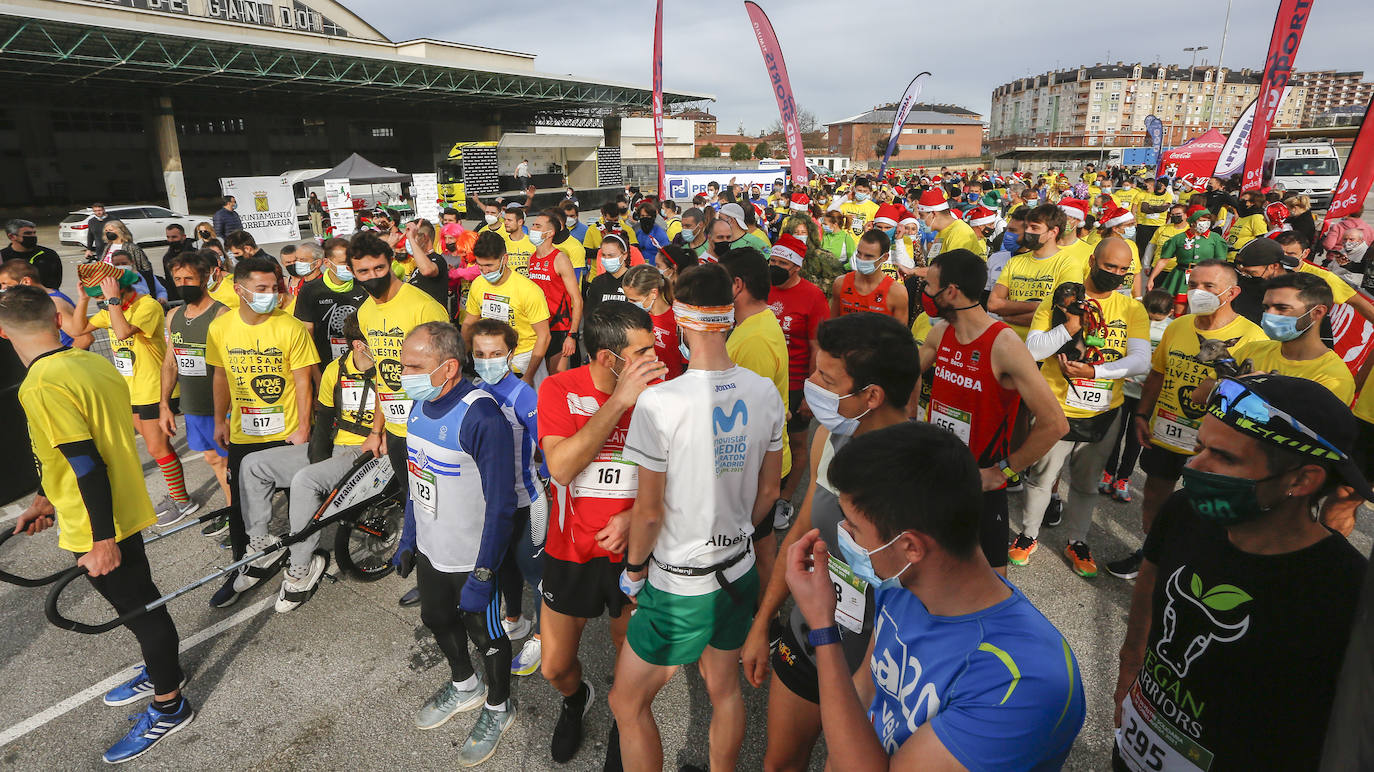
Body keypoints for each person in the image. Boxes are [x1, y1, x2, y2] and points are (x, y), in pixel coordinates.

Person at [784, 421, 1086, 770]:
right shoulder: (904, 588)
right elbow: (864, 693)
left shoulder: (1021, 683)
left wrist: (824, 628)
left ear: (910, 546)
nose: (842, 535)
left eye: (853, 526)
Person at [1112, 374, 1370, 771]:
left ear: (1301, 480)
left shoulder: (1346, 592)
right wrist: (1129, 667)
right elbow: (1150, 585)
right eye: (1200, 447)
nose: (1194, 466)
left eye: (1225, 457)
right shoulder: (1185, 512)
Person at [2, 285, 195, 765]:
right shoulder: (91, 362)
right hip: (118, 507)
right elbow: (72, 450)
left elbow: (87, 463)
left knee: (140, 611)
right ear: (55, 319)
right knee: (141, 603)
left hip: (98, 522)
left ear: (3, 333)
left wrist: (102, 540)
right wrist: (45, 498)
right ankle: (161, 670)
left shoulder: (41, 383)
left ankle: (169, 703)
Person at [610, 263, 785, 772]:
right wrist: (734, 532)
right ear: (728, 317)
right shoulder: (763, 392)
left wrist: (635, 570)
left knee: (626, 702)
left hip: (680, 582)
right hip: (739, 568)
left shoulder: (659, 402)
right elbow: (770, 490)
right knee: (724, 689)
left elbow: (647, 512)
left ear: (680, 317)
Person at [744, 312, 918, 772]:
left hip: (883, 669)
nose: (811, 383)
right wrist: (764, 621)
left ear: (872, 395)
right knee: (778, 763)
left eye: (826, 377)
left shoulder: (924, 475)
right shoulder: (830, 437)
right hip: (809, 638)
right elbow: (801, 533)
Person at [536, 302, 667, 765]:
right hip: (570, 552)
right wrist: (619, 402)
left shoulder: (662, 394)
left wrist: (633, 517)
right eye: (644, 352)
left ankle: (623, 716)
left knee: (625, 653)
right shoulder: (558, 388)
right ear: (610, 359)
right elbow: (563, 467)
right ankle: (576, 700)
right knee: (553, 665)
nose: (657, 359)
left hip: (633, 555)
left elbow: (680, 475)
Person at [396, 321, 519, 766]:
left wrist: (485, 573)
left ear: (448, 368)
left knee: (486, 635)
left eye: (413, 365)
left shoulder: (481, 415)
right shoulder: (415, 405)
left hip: (472, 557)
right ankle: (466, 687)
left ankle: (498, 708)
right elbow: (415, 477)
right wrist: (409, 537)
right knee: (435, 618)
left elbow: (503, 505)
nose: (402, 373)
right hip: (433, 549)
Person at [918, 249, 1069, 575]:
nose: (925, 294)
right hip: (937, 479)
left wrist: (1003, 471)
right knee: (932, 574)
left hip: (980, 486)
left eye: (929, 286)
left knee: (990, 586)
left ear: (951, 292)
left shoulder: (1004, 344)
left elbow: (1055, 424)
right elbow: (902, 378)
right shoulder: (939, 334)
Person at [1114, 261, 1267, 580]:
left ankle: (1193, 566)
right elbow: (1157, 374)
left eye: (1209, 286)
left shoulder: (1254, 338)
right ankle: (1151, 555)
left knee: (1206, 507)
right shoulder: (1178, 326)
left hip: (1215, 442)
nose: (1197, 292)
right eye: (1193, 284)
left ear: (1232, 292)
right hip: (1166, 430)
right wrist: (1142, 414)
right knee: (1155, 495)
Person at [1012, 238, 1150, 577]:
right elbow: (1033, 350)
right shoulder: (1059, 300)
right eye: (1109, 267)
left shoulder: (1131, 309)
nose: (1115, 274)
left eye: (1122, 270)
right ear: (1091, 261)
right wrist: (1069, 326)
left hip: (1104, 410)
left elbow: (1140, 361)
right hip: (1055, 407)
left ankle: (1078, 541)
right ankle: (1028, 536)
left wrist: (1094, 371)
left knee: (1087, 484)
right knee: (1041, 478)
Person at [232, 313, 375, 612]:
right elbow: (323, 419)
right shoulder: (336, 369)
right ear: (360, 345)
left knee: (305, 481)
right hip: (337, 445)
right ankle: (261, 545)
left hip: (368, 452)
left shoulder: (391, 371)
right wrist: (317, 461)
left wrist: (315, 472)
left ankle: (301, 567)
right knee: (253, 464)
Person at [205, 256, 319, 608]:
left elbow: (303, 381)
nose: (271, 295)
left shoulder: (290, 327)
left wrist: (303, 428)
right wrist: (219, 420)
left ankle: (302, 565)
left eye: (274, 288)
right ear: (239, 290)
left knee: (305, 503)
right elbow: (220, 375)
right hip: (244, 432)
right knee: (242, 509)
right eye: (262, 289)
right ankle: (244, 567)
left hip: (285, 433)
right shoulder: (220, 328)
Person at [65, 263, 199, 526]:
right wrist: (82, 300)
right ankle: (176, 496)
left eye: (101, 296)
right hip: (132, 391)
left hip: (153, 389)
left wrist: (112, 300)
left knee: (157, 446)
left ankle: (183, 501)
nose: (101, 302)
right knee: (155, 447)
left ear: (118, 289)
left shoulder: (146, 306)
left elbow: (124, 330)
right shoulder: (115, 308)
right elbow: (77, 330)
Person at [468, 319, 545, 666]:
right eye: (481, 354)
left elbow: (550, 446)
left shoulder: (523, 395)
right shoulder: (473, 390)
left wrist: (546, 479)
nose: (488, 360)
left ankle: (544, 637)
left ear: (511, 354)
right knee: (504, 567)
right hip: (493, 504)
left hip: (527, 500)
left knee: (536, 573)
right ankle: (514, 619)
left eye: (496, 353)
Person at [158, 252, 232, 509]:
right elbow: (170, 363)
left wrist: (228, 412)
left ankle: (239, 517)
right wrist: (165, 405)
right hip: (194, 407)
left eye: (189, 278)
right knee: (212, 459)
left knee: (230, 463)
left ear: (204, 278)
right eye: (177, 278)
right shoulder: (173, 316)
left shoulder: (221, 314)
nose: (182, 284)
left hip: (223, 408)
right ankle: (235, 510)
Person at [765, 234, 830, 508]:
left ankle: (785, 498)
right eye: (772, 260)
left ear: (796, 267)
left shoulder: (812, 296)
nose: (775, 266)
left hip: (795, 384)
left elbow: (818, 346)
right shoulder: (763, 288)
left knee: (796, 442)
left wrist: (811, 392)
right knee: (766, 443)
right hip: (764, 380)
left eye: (782, 262)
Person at [720, 247, 793, 484]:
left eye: (719, 282)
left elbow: (750, 419)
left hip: (756, 471)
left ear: (737, 285)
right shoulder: (754, 324)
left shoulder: (755, 339)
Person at [1098, 290, 1173, 504]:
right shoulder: (1133, 320)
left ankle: (1123, 478)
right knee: (1114, 434)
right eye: (1149, 315)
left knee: (1135, 439)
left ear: (1170, 312)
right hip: (1123, 388)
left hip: (1146, 394)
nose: (1153, 320)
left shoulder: (1171, 329)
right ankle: (1108, 472)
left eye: (1158, 318)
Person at [1232, 272, 1354, 403]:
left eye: (1282, 308)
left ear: (1317, 313)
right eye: (1266, 307)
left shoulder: (1333, 378)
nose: (1269, 314)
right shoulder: (1252, 350)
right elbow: (1208, 390)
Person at [463, 230, 551, 383]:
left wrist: (529, 376)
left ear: (504, 259)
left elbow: (544, 336)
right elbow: (469, 323)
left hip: (524, 360)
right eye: (480, 266)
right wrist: (462, 356)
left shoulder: (529, 290)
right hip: (490, 358)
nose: (485, 271)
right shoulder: (477, 284)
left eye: (489, 265)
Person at [988, 203, 1070, 338]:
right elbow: (993, 304)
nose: (1029, 232)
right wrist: (1038, 306)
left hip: (1042, 349)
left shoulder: (1068, 264)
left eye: (1034, 228)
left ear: (1053, 232)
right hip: (1005, 341)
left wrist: (1006, 315)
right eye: (1027, 228)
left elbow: (1059, 314)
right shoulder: (1013, 262)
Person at [293, 237, 369, 363]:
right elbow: (306, 336)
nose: (349, 267)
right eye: (343, 263)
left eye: (351, 262)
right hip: (325, 363)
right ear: (327, 263)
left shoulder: (364, 286)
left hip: (360, 361)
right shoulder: (310, 290)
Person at [526, 209, 582, 374]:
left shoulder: (560, 259)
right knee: (537, 379)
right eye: (533, 225)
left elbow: (577, 300)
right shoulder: (532, 258)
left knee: (556, 380)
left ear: (549, 233)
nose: (533, 229)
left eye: (537, 226)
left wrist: (572, 335)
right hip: (537, 327)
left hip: (559, 327)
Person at [1151, 208, 1228, 316]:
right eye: (1202, 220)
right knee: (1179, 309)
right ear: (1193, 221)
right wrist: (1151, 278)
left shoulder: (1215, 238)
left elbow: (1221, 263)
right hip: (1181, 275)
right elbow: (1163, 260)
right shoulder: (1179, 238)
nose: (1205, 223)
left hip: (1205, 277)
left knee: (1201, 311)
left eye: (1207, 220)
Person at [0, 259, 89, 349]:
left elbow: (85, 339)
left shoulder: (54, 303)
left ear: (26, 282)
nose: (3, 289)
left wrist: (59, 360)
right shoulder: (44, 298)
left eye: (5, 284)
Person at [829, 230, 908, 325]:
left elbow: (900, 336)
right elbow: (831, 326)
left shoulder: (897, 292)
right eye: (859, 253)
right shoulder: (840, 283)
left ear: (884, 257)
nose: (861, 259)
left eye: (868, 256)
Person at [620, 263, 682, 377]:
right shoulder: (633, 317)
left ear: (653, 293)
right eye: (627, 299)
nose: (629, 304)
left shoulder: (678, 320)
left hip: (669, 387)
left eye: (634, 300)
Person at [583, 234, 635, 319]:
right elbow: (590, 314)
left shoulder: (635, 279)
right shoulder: (597, 282)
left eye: (611, 255)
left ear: (624, 255)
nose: (607, 259)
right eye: (604, 255)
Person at [2, 218, 62, 289]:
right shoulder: (2, 257)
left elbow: (55, 283)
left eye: (34, 233)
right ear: (11, 236)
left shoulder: (49, 255)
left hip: (44, 297)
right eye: (28, 233)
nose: (33, 236)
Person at [501, 206, 537, 277]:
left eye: (509, 220)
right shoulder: (501, 243)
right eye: (505, 220)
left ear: (520, 222)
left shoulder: (533, 243)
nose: (505, 223)